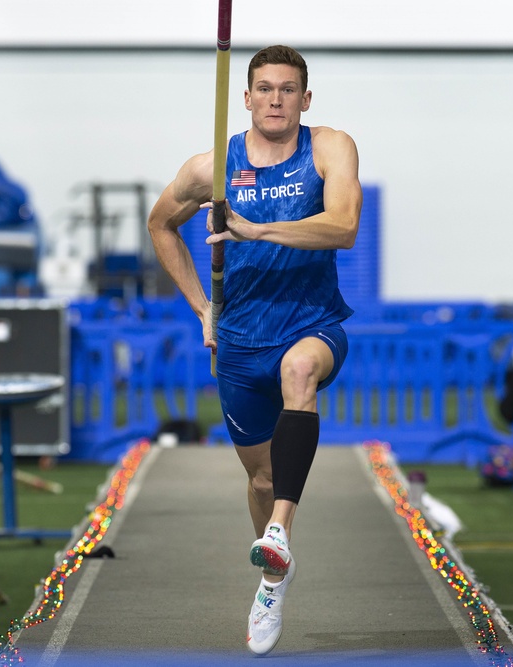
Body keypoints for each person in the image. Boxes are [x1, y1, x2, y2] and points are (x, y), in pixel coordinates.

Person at [147, 45, 361, 655]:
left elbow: (343, 227)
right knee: (262, 478)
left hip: (312, 325)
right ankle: (274, 577)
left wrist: (254, 226)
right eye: (265, 88)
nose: (276, 99)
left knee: (300, 371)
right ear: (245, 98)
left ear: (306, 99)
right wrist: (200, 306)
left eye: (288, 89)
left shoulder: (329, 147)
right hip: (238, 340)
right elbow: (160, 223)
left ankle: (279, 535)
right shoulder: (212, 166)